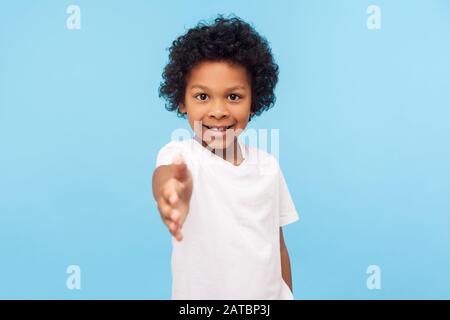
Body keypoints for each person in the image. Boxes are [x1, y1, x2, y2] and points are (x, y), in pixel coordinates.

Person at [152, 15, 299, 299]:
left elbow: (277, 245)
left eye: (233, 97)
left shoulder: (267, 166)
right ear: (182, 101)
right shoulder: (181, 155)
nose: (218, 111)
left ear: (253, 101)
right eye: (202, 97)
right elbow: (166, 176)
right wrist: (171, 194)